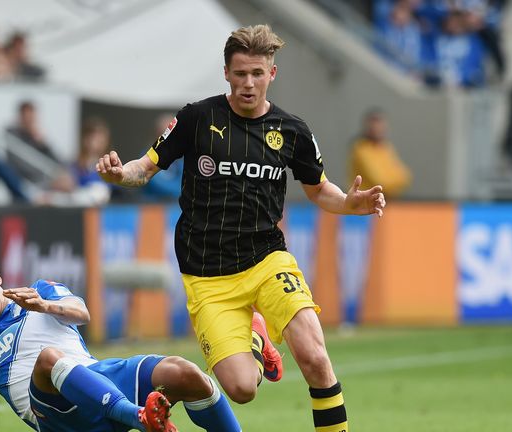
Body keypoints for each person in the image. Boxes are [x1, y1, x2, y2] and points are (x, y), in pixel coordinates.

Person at [96, 24, 386, 432]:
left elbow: (320, 190)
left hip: (267, 260)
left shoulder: (292, 131)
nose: (248, 84)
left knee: (316, 359)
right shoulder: (197, 117)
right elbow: (143, 169)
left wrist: (348, 204)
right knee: (243, 388)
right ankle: (256, 336)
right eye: (240, 74)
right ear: (227, 74)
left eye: (257, 74)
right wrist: (117, 175)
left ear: (272, 74)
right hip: (207, 276)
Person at [0, 250, 242, 432]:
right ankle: (140, 417)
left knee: (186, 375)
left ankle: (136, 414)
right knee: (48, 359)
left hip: (96, 384)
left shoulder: (40, 291)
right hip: (56, 417)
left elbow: (82, 313)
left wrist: (44, 305)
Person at [6, 100, 74, 193]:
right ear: (20, 117)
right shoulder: (12, 137)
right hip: (25, 186)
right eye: (27, 118)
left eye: (32, 118)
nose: (29, 122)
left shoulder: (37, 138)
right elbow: (22, 167)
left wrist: (43, 144)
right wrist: (50, 182)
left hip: (44, 185)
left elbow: (59, 161)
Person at [348, 109, 411, 198]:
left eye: (380, 123)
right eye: (374, 123)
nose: (377, 127)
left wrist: (393, 183)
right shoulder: (360, 148)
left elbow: (404, 176)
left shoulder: (386, 147)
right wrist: (394, 184)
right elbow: (379, 181)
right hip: (361, 203)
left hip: (381, 203)